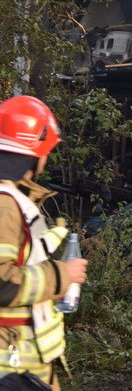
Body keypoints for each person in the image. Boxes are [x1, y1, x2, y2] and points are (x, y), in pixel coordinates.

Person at [0, 95, 88, 390]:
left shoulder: (12, 197)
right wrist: (64, 274)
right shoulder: (4, 204)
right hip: (12, 362)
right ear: (34, 149)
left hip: (22, 357)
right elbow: (2, 282)